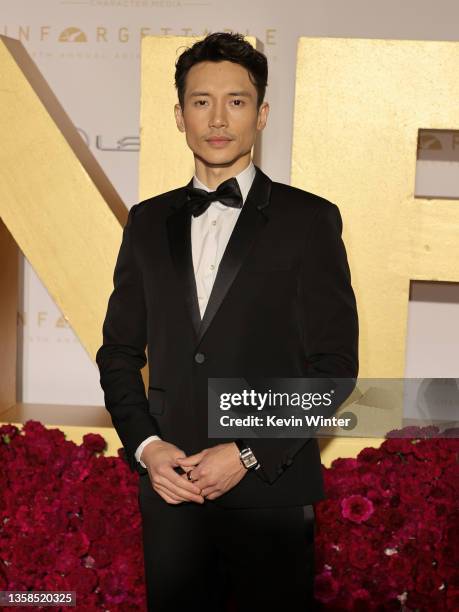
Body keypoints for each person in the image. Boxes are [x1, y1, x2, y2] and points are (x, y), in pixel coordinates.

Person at [96, 31, 359, 612]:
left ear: (261, 114)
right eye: (201, 101)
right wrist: (147, 447)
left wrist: (245, 451)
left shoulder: (309, 220)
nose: (218, 118)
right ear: (179, 114)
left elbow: (335, 371)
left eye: (236, 101)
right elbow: (118, 354)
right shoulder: (145, 222)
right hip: (171, 492)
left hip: (270, 494)